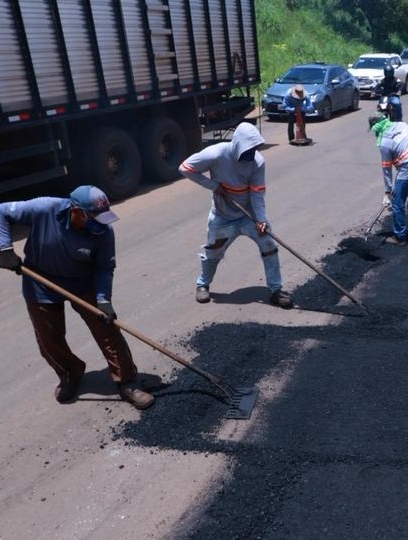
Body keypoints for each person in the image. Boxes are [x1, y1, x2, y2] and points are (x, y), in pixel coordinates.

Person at [0, 186, 154, 409]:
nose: (98, 223)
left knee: (107, 330)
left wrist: (103, 300)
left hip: (82, 282)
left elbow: (104, 267)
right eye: (92, 217)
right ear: (75, 210)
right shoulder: (45, 208)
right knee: (48, 338)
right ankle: (70, 373)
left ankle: (128, 382)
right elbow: (1, 211)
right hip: (40, 281)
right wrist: (4, 248)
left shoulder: (103, 232)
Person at [179, 121, 293, 308]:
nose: (251, 154)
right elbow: (185, 168)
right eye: (248, 150)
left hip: (249, 216)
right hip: (222, 217)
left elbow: (257, 193)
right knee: (213, 253)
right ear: (238, 145)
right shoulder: (217, 154)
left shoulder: (257, 162)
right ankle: (202, 285)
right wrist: (214, 186)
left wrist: (261, 219)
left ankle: (276, 290)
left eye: (254, 149)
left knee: (269, 246)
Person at [367, 113, 408, 246]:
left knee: (397, 203)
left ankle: (400, 237)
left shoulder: (384, 143)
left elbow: (386, 168)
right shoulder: (402, 125)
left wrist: (388, 192)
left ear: (376, 128)